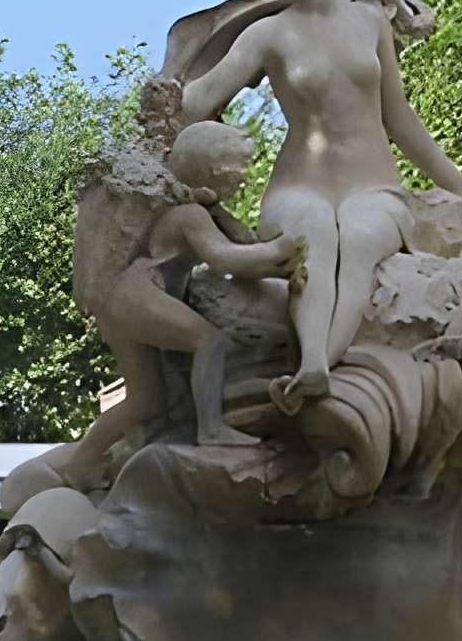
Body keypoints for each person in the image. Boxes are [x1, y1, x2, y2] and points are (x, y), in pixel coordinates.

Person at [170, 0, 462, 412]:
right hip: (297, 185)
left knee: (356, 238)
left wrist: (453, 181)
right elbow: (202, 99)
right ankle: (311, 362)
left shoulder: (369, 22)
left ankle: (320, 367)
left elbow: (397, 117)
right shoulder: (268, 34)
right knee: (311, 239)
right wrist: (167, 94)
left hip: (373, 185)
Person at [67, 90, 307, 459]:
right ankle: (211, 431)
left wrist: (279, 265)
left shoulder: (192, 209)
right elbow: (228, 260)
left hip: (117, 300)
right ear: (213, 172)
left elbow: (243, 253)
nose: (242, 181)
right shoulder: (190, 216)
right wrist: (278, 250)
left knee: (146, 400)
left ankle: (78, 464)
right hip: (135, 294)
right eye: (237, 172)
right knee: (209, 341)